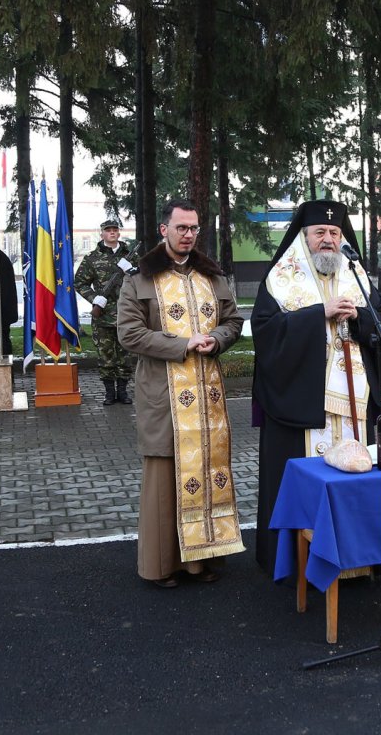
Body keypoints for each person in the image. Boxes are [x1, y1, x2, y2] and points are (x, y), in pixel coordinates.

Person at [251, 198, 381, 570]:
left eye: (335, 232)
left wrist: (360, 316)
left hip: (355, 404)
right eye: (320, 233)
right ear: (304, 237)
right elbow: (266, 332)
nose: (328, 240)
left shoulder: (357, 275)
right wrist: (320, 314)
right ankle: (298, 564)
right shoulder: (280, 278)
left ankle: (358, 559)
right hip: (304, 402)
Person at [117, 200, 245, 587]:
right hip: (163, 394)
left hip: (208, 399)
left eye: (193, 228)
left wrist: (218, 339)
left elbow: (233, 320)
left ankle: (202, 560)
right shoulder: (139, 279)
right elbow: (129, 333)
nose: (188, 234)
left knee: (207, 473)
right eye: (181, 227)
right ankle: (160, 566)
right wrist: (183, 343)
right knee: (164, 477)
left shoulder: (212, 276)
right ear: (164, 230)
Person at [74, 219, 139, 406]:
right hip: (103, 316)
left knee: (125, 355)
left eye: (115, 230)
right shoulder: (92, 258)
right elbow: (80, 282)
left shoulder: (131, 256)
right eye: (107, 230)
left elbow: (144, 279)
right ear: (101, 234)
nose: (112, 233)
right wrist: (94, 298)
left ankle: (124, 392)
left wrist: (133, 271)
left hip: (127, 314)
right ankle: (109, 393)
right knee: (105, 356)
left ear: (119, 233)